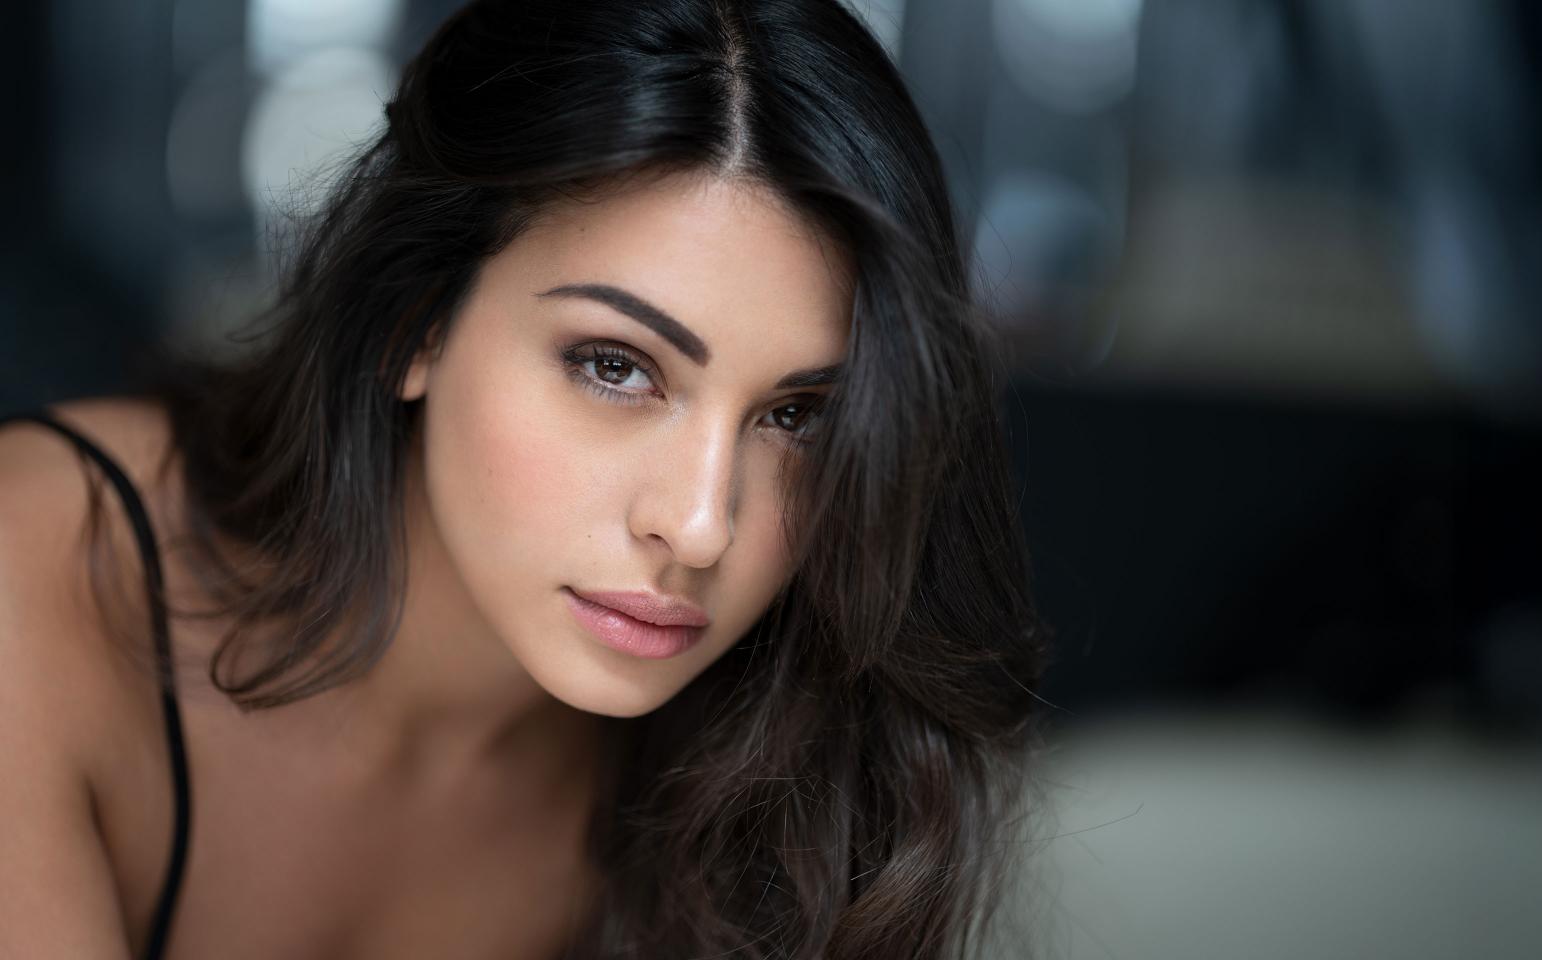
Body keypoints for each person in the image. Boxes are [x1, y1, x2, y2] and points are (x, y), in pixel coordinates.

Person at [0, 1, 1049, 957]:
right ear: (414, 320)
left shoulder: (769, 777)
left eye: (797, 418)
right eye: (615, 366)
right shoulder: (39, 579)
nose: (696, 526)